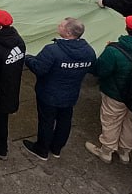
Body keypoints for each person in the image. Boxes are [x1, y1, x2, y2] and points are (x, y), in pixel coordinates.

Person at [85, 15, 132, 164]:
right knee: (130, 122)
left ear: (127, 29)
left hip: (115, 93)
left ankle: (106, 151)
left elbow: (100, 70)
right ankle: (125, 152)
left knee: (111, 121)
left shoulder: (114, 50)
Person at [23, 17, 96, 159]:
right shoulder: (89, 51)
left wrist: (28, 59)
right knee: (64, 121)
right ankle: (57, 148)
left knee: (46, 121)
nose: (58, 25)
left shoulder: (52, 50)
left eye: (61, 25)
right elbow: (91, 68)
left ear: (68, 33)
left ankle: (42, 149)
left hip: (49, 93)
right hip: (71, 93)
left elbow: (39, 68)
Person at [0, 8, 26, 160]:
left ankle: (1, 148)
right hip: (12, 84)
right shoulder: (18, 41)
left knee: (0, 117)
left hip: (0, 88)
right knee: (0, 116)